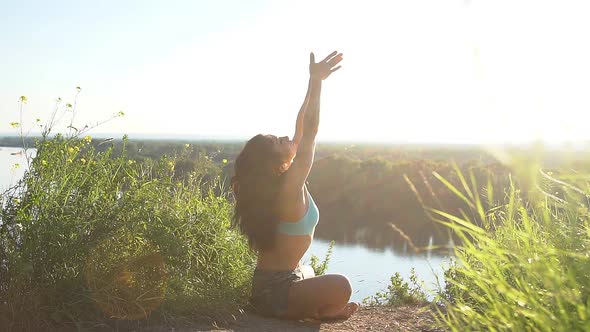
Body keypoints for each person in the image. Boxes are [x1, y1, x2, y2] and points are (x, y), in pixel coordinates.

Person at [231, 51, 359, 320]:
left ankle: (316, 311)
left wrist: (313, 81)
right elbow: (310, 132)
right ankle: (304, 312)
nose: (285, 136)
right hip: (274, 290)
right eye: (277, 141)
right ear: (273, 162)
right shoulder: (288, 190)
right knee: (341, 285)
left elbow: (302, 127)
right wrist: (318, 83)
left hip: (283, 278)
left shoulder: (283, 181)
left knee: (309, 270)